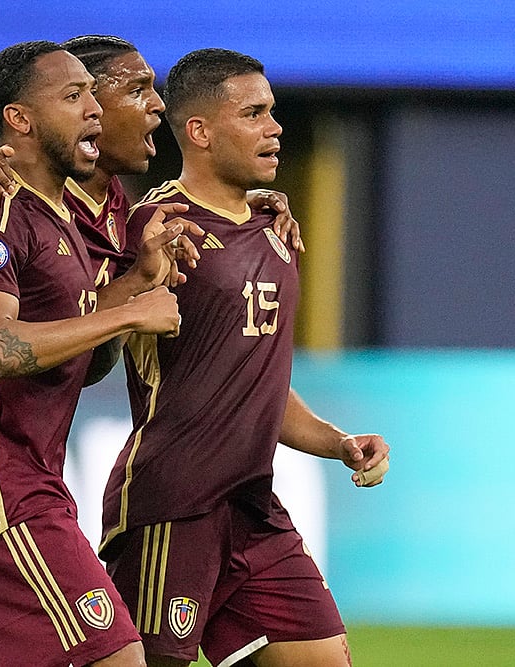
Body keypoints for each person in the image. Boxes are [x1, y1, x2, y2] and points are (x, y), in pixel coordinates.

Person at [0, 35, 300, 667]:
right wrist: (131, 307)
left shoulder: (111, 210)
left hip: (12, 456)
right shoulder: (2, 195)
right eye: (133, 91)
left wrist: (245, 213)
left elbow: (90, 349)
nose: (154, 109)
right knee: (94, 654)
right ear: (42, 114)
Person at [98, 48, 390, 667]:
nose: (274, 128)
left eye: (273, 112)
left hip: (253, 507)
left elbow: (259, 386)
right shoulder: (160, 226)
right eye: (253, 113)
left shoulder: (274, 232)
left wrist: (339, 443)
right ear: (199, 132)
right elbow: (93, 325)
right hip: (173, 505)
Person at [0, 40, 194, 667]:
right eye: (73, 97)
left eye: (93, 95)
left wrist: (134, 282)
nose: (94, 110)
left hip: (21, 482)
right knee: (116, 657)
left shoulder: (64, 219)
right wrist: (128, 313)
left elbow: (85, 364)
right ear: (20, 119)